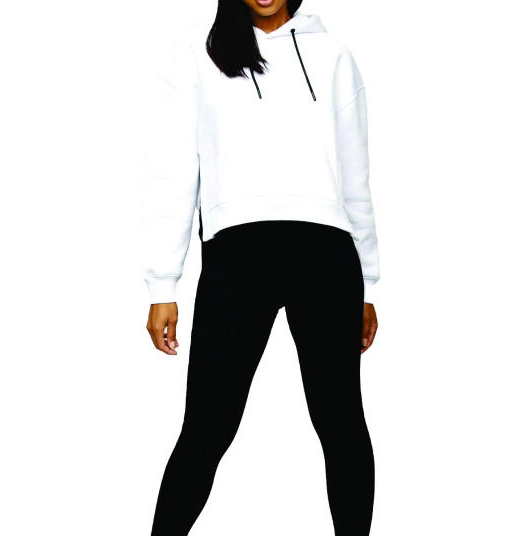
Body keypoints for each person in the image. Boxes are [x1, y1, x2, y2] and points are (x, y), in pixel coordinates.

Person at [141, 1, 380, 534]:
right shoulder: (197, 53)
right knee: (207, 427)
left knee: (340, 421)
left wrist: (367, 282)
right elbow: (173, 171)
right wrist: (162, 283)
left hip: (326, 255)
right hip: (237, 256)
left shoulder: (333, 55)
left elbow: (355, 174)